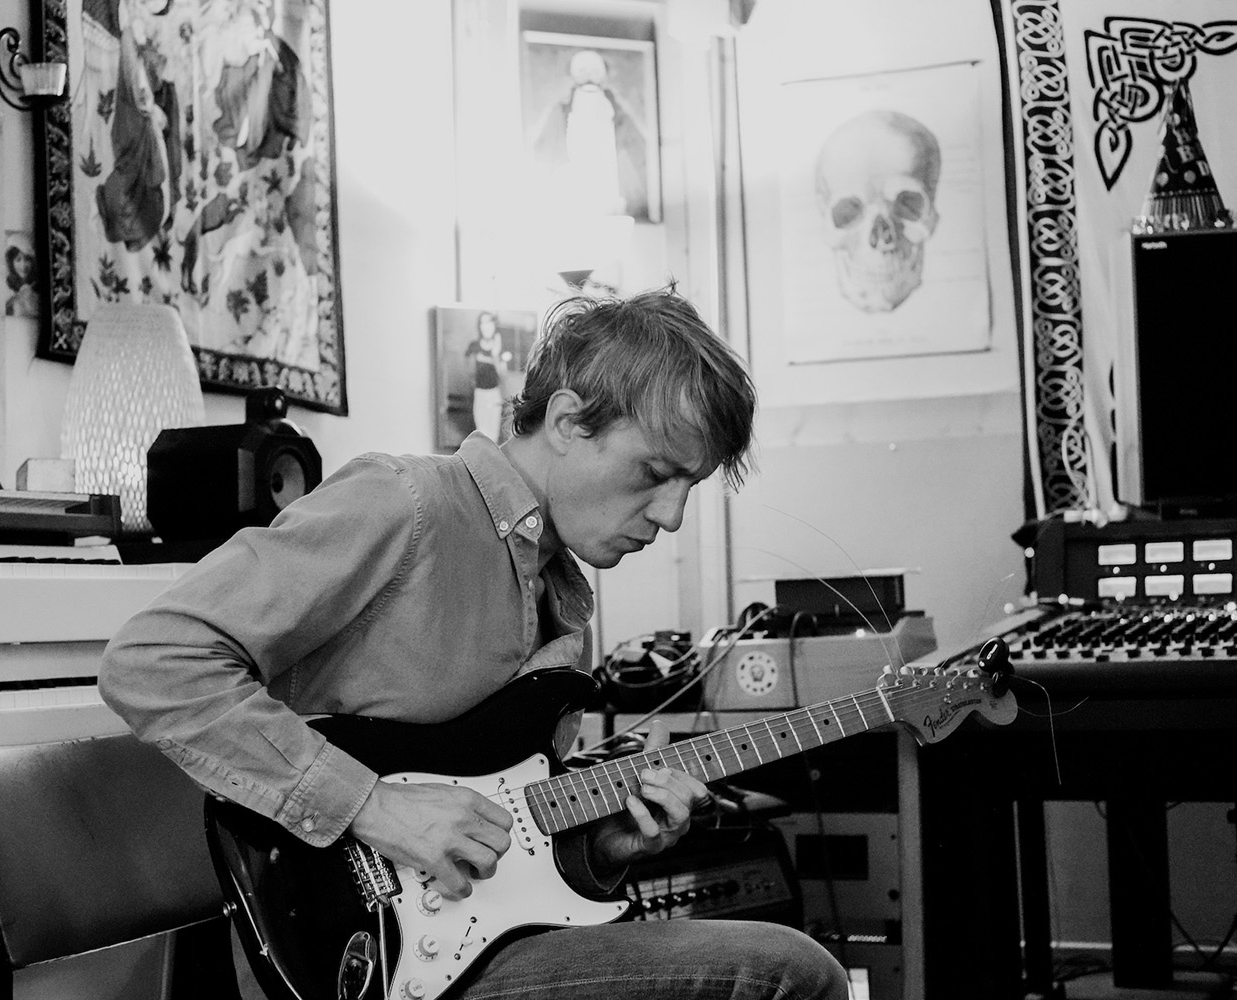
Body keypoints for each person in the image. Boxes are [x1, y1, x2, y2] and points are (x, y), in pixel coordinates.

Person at [99, 286, 848, 1000]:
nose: (674, 516)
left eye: (692, 485)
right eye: (654, 473)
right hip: (333, 946)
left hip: (463, 948)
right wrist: (371, 806)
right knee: (790, 972)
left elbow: (508, 829)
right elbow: (155, 659)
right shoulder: (405, 503)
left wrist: (601, 847)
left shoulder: (562, 592)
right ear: (565, 420)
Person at [464, 310, 510, 442]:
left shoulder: (500, 348)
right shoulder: (474, 346)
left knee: (493, 437)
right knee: (481, 436)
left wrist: (495, 355)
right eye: (483, 323)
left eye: (489, 322)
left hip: (494, 394)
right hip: (479, 394)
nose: (486, 326)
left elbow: (503, 376)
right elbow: (469, 372)